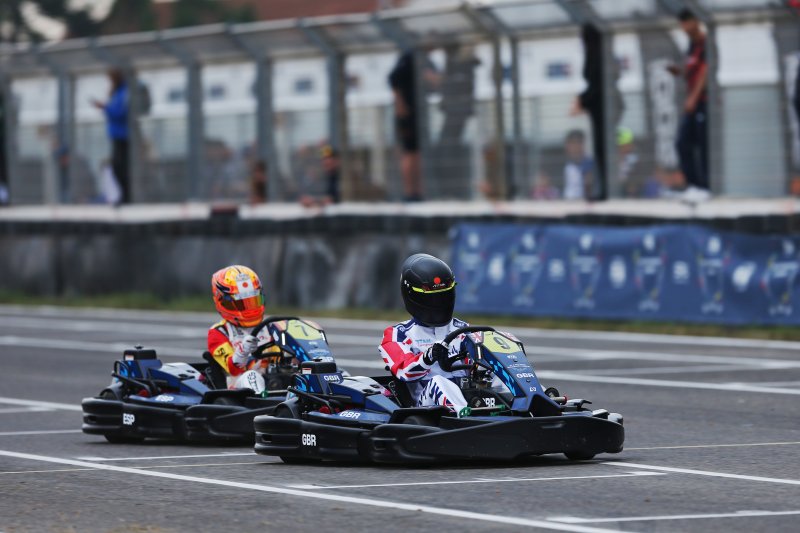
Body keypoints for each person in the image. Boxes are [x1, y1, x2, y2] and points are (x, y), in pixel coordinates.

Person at [378, 253, 470, 413]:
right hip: (424, 407)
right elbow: (404, 372)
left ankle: (518, 410)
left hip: (468, 396)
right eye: (432, 297)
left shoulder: (463, 330)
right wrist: (428, 357)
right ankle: (465, 419)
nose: (439, 303)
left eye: (443, 295)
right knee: (439, 382)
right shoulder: (397, 334)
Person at [207, 265, 279, 394]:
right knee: (251, 375)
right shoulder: (219, 332)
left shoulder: (270, 327)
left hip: (272, 382)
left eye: (253, 301)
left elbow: (279, 359)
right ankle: (262, 401)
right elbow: (233, 370)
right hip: (238, 390)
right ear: (222, 301)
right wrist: (242, 351)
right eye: (241, 303)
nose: (249, 309)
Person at [571, 23, 623, 201]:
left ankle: (608, 190)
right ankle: (605, 189)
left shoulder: (600, 56)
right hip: (600, 108)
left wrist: (582, 100)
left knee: (604, 149)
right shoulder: (600, 55)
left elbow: (598, 84)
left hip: (605, 109)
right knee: (601, 150)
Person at [668, 9, 710, 201]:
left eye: (687, 22)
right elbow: (691, 71)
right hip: (693, 104)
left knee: (703, 144)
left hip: (703, 102)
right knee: (682, 143)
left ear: (696, 21)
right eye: (682, 23)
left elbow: (705, 72)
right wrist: (678, 72)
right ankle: (693, 185)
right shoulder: (691, 46)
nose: (684, 27)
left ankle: (705, 187)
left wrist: (693, 97)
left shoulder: (705, 42)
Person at [388, 49, 440, 202]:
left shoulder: (426, 60)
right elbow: (393, 79)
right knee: (410, 152)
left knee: (418, 153)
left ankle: (418, 191)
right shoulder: (410, 56)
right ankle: (410, 192)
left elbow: (435, 83)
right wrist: (400, 105)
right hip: (407, 113)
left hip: (419, 113)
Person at [92, 69, 130, 204]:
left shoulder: (124, 93)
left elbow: (120, 113)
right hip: (116, 135)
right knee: (116, 167)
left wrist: (105, 107)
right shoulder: (117, 93)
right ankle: (123, 196)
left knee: (121, 167)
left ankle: (127, 197)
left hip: (123, 135)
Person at [562, 130, 594, 200]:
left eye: (579, 143)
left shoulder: (589, 163)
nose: (576, 147)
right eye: (572, 143)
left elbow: (590, 185)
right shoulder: (562, 163)